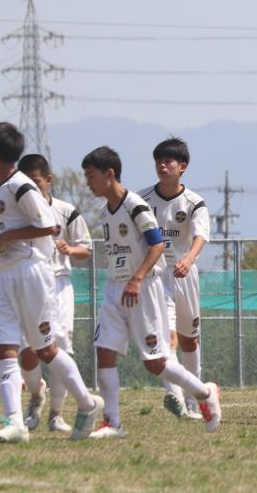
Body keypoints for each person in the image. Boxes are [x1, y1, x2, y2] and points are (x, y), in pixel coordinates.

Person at [83, 145, 221, 438]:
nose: (88, 183)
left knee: (156, 362)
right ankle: (112, 422)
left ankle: (203, 393)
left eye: (91, 176)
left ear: (109, 174)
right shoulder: (106, 211)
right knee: (104, 352)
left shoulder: (136, 205)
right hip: (116, 288)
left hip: (145, 286)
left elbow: (156, 244)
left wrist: (137, 278)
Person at [0, 122, 102, 444]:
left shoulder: (20, 185)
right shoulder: (2, 187)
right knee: (5, 346)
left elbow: (48, 225)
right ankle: (15, 423)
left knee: (45, 349)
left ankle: (87, 403)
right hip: (2, 275)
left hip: (30, 273)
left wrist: (5, 238)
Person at [16, 153, 93, 433]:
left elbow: (86, 249)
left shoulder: (66, 211)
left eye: (36, 182)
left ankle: (56, 414)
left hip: (58, 285)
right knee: (28, 351)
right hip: (28, 283)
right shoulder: (16, 211)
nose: (32, 189)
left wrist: (69, 249)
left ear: (48, 180)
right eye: (25, 183)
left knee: (59, 347)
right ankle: (36, 395)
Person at [139, 137, 211, 419]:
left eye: (168, 161)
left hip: (184, 275)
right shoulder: (142, 200)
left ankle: (195, 400)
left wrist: (189, 258)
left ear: (182, 166)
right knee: (166, 337)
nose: (162, 166)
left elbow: (200, 235)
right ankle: (175, 396)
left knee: (189, 340)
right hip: (157, 275)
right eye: (158, 161)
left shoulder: (194, 202)